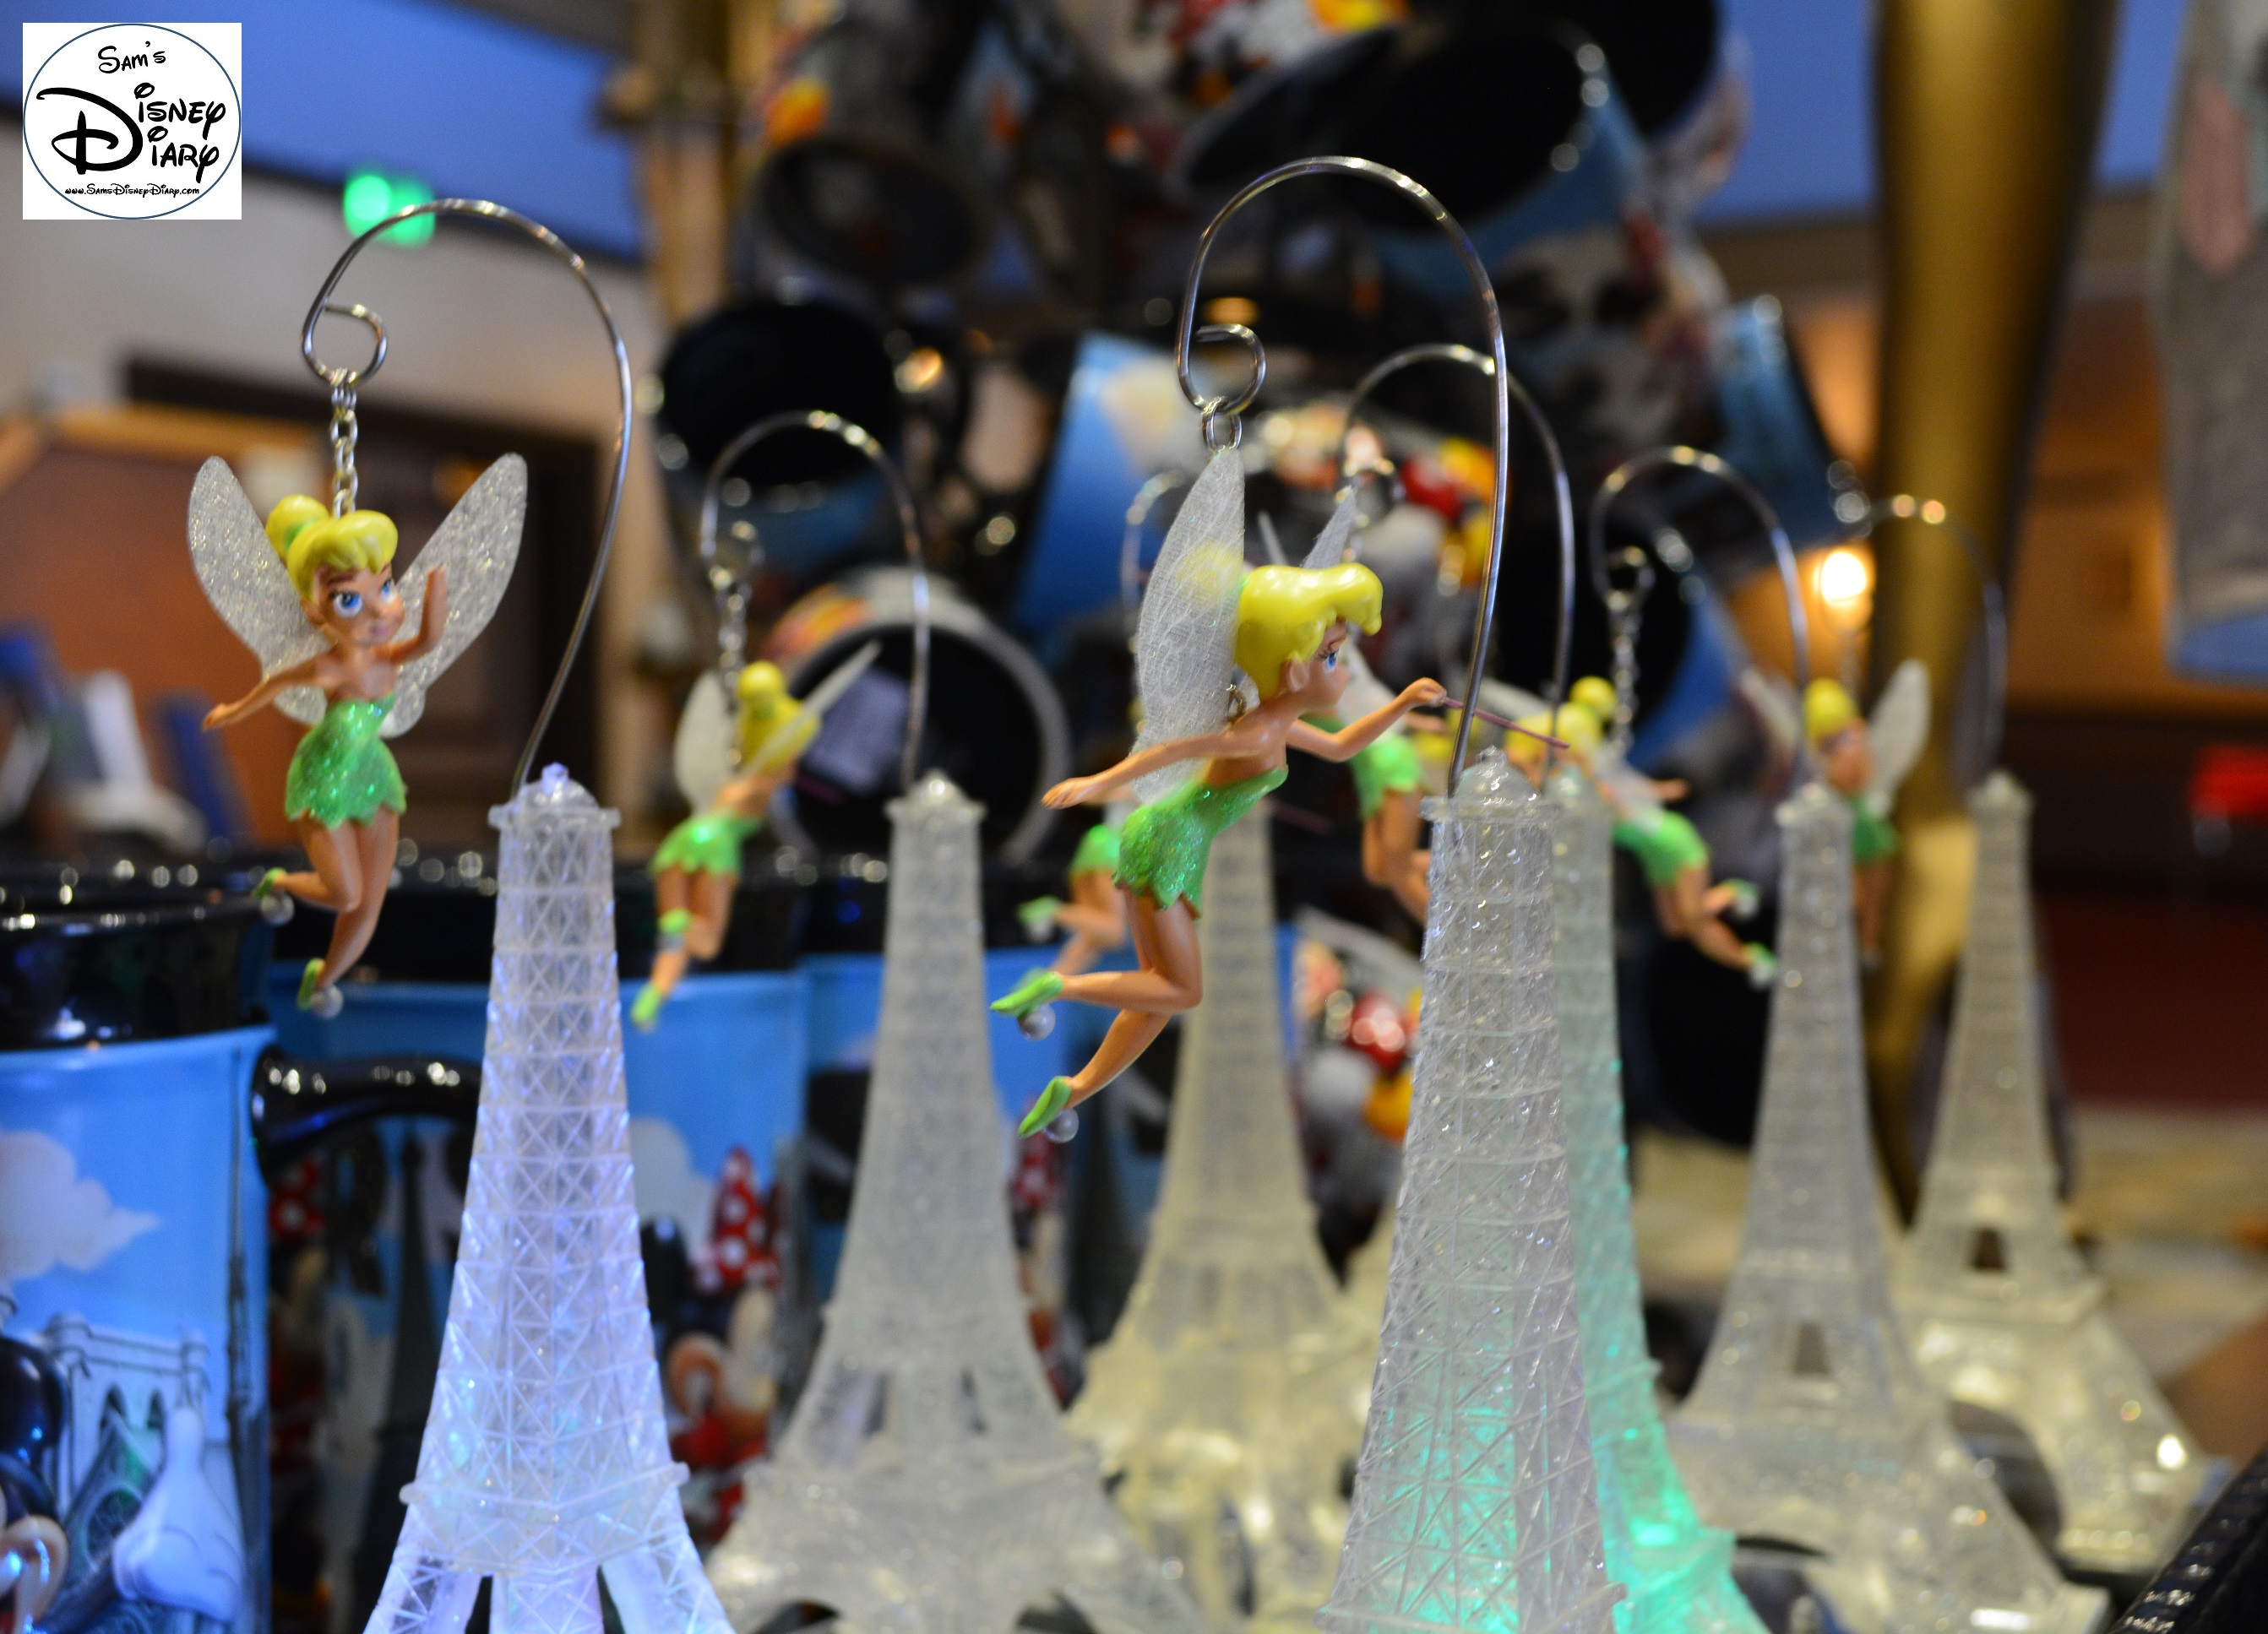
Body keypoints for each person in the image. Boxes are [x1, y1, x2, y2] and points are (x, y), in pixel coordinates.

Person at [992, 562, 1445, 1135]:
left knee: (1160, 994)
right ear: (1293, 668)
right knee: (1179, 988)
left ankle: (1074, 1089)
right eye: (1332, 656)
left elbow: (1341, 746)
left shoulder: (1275, 723)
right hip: (1169, 841)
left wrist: (1403, 702)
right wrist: (1096, 783)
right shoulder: (1259, 731)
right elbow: (1173, 750)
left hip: (1174, 839)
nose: (1345, 669)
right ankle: (1058, 986)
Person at [203, 496, 447, 1010]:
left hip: (373, 774)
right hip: (323, 776)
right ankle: (280, 882)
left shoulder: (389, 658)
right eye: (350, 600)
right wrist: (232, 711)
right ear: (315, 610)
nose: (381, 610)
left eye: (386, 587)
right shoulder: (326, 669)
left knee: (370, 901)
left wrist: (437, 585)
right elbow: (273, 685)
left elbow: (429, 639)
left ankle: (323, 980)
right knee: (345, 893)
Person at [632, 662, 812, 1029]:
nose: (793, 769)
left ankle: (653, 997)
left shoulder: (726, 783)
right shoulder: (760, 785)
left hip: (680, 841)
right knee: (708, 940)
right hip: (713, 847)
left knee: (672, 933)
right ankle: (681, 933)